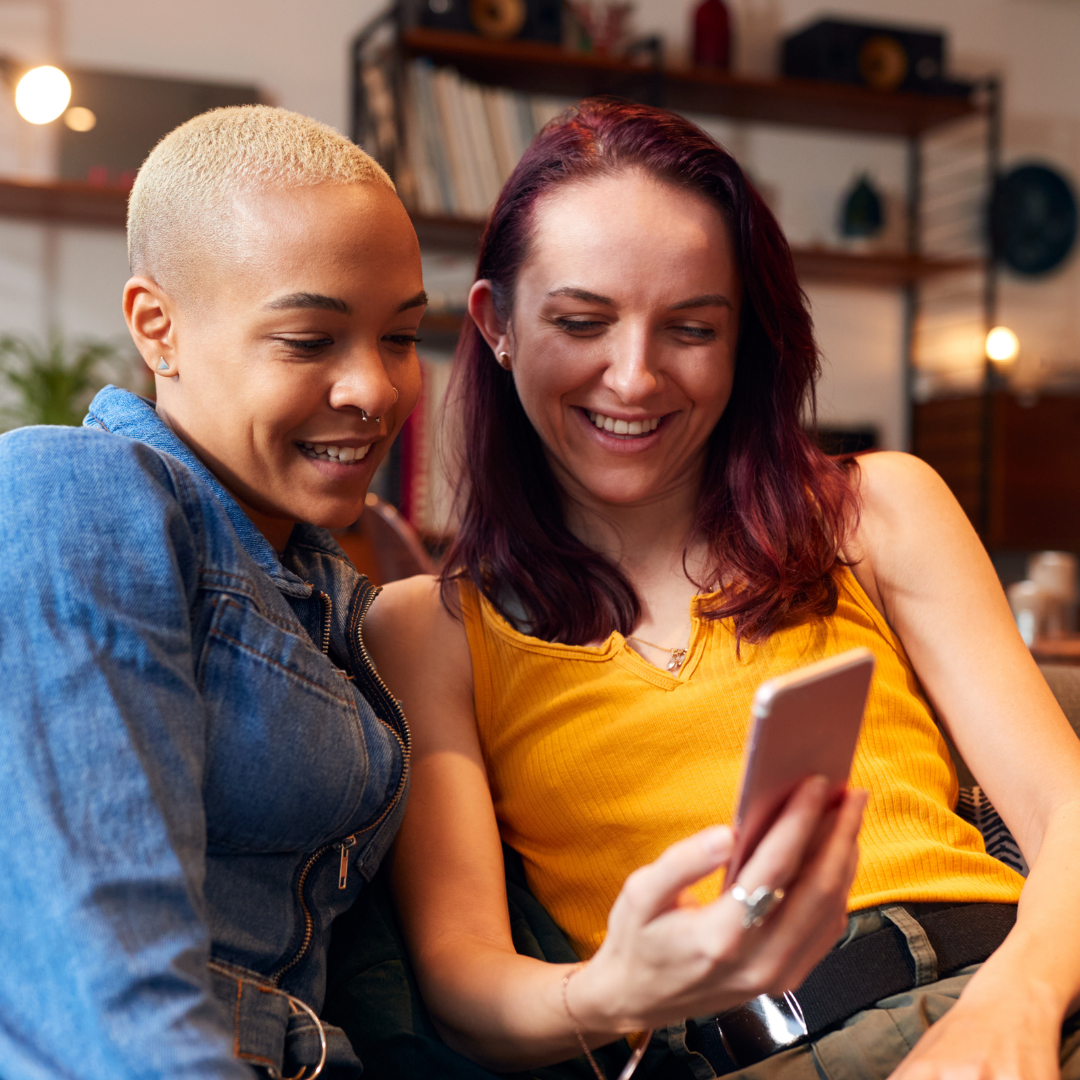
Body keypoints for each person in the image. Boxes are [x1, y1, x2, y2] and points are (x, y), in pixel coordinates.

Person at [349, 99, 1080, 1080]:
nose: (636, 377)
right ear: (498, 325)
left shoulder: (877, 510)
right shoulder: (430, 630)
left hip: (1016, 1003)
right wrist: (616, 991)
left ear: (745, 342)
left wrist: (1019, 1003)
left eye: (691, 327)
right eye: (581, 321)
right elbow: (464, 983)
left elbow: (1066, 810)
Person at [0, 105, 427, 1078]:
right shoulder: (71, 489)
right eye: (309, 341)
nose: (375, 388)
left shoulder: (333, 591)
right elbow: (98, 959)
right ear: (159, 328)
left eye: (400, 336)